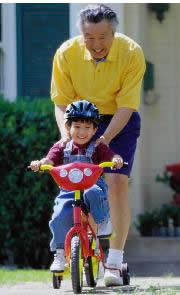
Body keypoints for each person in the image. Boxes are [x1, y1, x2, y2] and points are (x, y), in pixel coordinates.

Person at [50, 4, 146, 286]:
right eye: (89, 37)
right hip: (80, 121)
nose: (96, 44)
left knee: (115, 182)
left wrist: (103, 140)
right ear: (82, 34)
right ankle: (83, 243)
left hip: (119, 120)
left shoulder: (131, 53)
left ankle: (114, 262)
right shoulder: (66, 54)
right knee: (81, 183)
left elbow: (127, 105)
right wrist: (67, 134)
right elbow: (61, 102)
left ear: (113, 31)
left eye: (103, 37)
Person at [30, 99, 123, 273]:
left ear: (95, 130)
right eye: (77, 126)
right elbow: (49, 160)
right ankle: (59, 254)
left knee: (94, 192)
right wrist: (40, 164)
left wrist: (115, 160)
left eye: (88, 128)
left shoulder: (98, 147)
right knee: (58, 216)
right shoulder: (61, 147)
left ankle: (103, 222)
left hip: (92, 186)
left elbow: (111, 156)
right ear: (68, 127)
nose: (82, 132)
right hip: (68, 190)